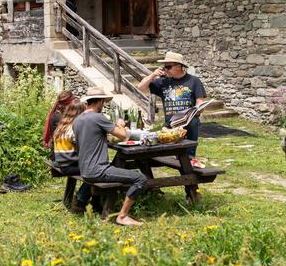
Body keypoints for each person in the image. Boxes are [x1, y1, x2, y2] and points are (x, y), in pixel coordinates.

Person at [72, 87, 146, 226]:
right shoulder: (98, 117)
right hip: (98, 171)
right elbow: (123, 135)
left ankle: (97, 204)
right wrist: (120, 125)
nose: (104, 105)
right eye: (104, 102)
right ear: (99, 101)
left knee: (118, 166)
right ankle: (122, 216)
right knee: (140, 178)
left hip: (85, 170)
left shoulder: (78, 119)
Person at [138, 50, 207, 168]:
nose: (165, 70)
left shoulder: (194, 81)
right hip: (171, 124)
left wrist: (197, 110)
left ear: (179, 67)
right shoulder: (163, 82)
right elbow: (141, 87)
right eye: (164, 67)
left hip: (188, 122)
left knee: (193, 122)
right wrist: (153, 75)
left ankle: (190, 158)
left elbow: (200, 102)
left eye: (168, 67)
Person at [51, 101, 93, 213]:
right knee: (95, 171)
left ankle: (91, 199)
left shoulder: (61, 126)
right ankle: (81, 198)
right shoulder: (74, 129)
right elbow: (83, 146)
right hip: (69, 165)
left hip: (61, 162)